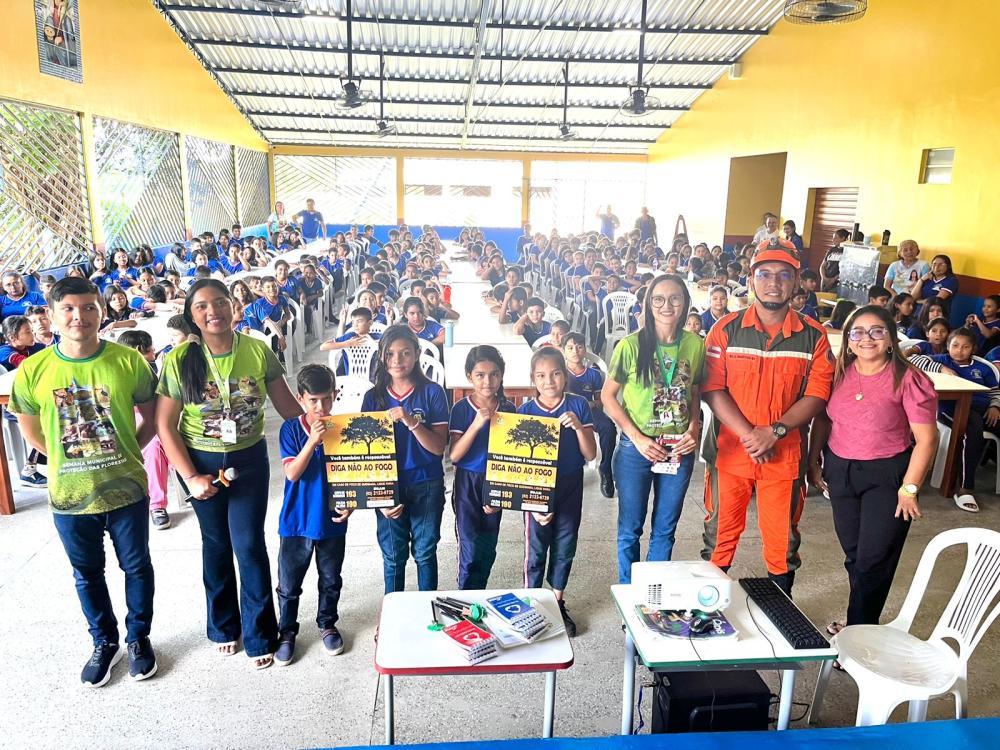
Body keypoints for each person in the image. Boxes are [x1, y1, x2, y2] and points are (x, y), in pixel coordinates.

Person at [9, 276, 158, 686]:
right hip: (70, 494)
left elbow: (152, 417)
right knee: (86, 573)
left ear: (102, 311)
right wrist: (64, 458)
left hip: (127, 487)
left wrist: (128, 449)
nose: (80, 316)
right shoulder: (33, 370)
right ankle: (104, 641)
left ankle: (138, 638)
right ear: (52, 316)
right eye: (69, 309)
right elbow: (30, 428)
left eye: (89, 307)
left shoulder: (129, 362)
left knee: (137, 567)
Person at [155, 279, 302, 669]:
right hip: (200, 462)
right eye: (202, 306)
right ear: (192, 316)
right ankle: (223, 627)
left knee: (249, 545)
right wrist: (190, 476)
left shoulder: (256, 350)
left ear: (233, 305)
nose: (213, 311)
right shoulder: (179, 360)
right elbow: (165, 425)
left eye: (220, 302)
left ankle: (259, 633)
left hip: (248, 460)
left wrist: (322, 424)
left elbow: (289, 408)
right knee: (216, 544)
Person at [700, 237, 834, 595]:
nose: (774, 282)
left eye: (783, 275)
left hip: (785, 456)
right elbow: (712, 389)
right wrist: (750, 434)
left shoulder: (814, 336)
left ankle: (780, 611)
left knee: (782, 542)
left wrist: (773, 432)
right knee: (719, 536)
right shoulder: (724, 330)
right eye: (764, 274)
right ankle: (708, 609)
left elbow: (818, 394)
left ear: (796, 281)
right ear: (750, 279)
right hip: (730, 453)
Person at [808, 305, 938, 630]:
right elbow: (823, 418)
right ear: (848, 340)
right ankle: (861, 619)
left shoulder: (908, 378)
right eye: (858, 332)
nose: (867, 338)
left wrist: (909, 488)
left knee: (873, 559)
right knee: (854, 554)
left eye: (877, 331)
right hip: (841, 470)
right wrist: (813, 459)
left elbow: (927, 440)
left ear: (891, 338)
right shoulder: (838, 373)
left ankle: (859, 631)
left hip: (887, 476)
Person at [601, 274, 705, 585]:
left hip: (678, 448)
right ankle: (629, 593)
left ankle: (651, 596)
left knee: (665, 529)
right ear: (648, 304)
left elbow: (695, 391)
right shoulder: (630, 345)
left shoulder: (695, 345)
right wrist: (637, 438)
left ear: (685, 303)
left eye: (675, 298)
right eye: (658, 299)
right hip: (637, 449)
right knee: (630, 528)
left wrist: (695, 427)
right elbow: (608, 397)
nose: (666, 305)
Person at [361, 325, 450, 593]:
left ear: (417, 354)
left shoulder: (433, 392)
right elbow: (366, 457)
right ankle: (392, 611)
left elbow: (438, 448)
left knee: (425, 552)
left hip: (427, 483)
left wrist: (411, 421)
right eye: (390, 354)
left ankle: (426, 610)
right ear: (381, 356)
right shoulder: (373, 398)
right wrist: (378, 500)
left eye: (405, 353)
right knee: (393, 557)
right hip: (389, 486)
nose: (397, 360)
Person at [274, 364, 351, 666]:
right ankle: (286, 631)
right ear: (301, 398)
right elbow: (292, 472)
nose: (321, 407)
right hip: (296, 520)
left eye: (326, 399)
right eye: (313, 400)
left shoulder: (345, 429)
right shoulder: (291, 429)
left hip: (332, 520)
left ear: (335, 394)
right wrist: (312, 441)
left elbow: (355, 475)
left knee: (331, 579)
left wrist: (351, 504)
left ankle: (327, 623)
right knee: (288, 584)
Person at [520, 347, 597, 636]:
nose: (548, 381)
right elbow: (519, 467)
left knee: (565, 545)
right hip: (536, 488)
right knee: (536, 548)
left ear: (564, 376)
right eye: (541, 375)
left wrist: (578, 428)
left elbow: (590, 454)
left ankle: (556, 602)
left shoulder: (578, 405)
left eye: (555, 374)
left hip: (570, 483)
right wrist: (532, 504)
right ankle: (531, 604)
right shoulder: (525, 412)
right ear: (533, 378)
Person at [448, 346, 516, 589]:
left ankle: (479, 593)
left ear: (501, 375)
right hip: (468, 482)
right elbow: (455, 455)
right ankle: (465, 596)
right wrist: (476, 424)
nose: (488, 381)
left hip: (497, 481)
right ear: (469, 376)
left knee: (488, 547)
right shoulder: (461, 409)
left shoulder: (509, 410)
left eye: (494, 374)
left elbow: (513, 458)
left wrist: (503, 494)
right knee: (469, 546)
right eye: (480, 375)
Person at [924, 328, 1000, 513]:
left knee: (980, 423)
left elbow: (995, 390)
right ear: (948, 346)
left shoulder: (983, 367)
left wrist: (995, 406)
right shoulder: (942, 360)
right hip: (953, 409)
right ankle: (966, 487)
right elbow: (913, 361)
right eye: (955, 345)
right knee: (973, 429)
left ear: (973, 348)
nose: (959, 350)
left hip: (985, 410)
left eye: (965, 347)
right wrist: (941, 368)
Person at [117, 330, 172, 531]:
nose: (154, 350)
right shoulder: (116, 370)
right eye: (149, 348)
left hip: (155, 417)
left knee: (157, 444)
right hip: (127, 419)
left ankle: (158, 504)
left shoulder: (155, 367)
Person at [562, 333, 617, 497]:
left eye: (579, 347)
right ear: (563, 350)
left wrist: (589, 404)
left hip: (590, 411)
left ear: (585, 350)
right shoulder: (560, 372)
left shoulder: (593, 374)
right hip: (566, 412)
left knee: (608, 428)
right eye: (570, 348)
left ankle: (606, 469)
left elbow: (600, 401)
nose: (575, 351)